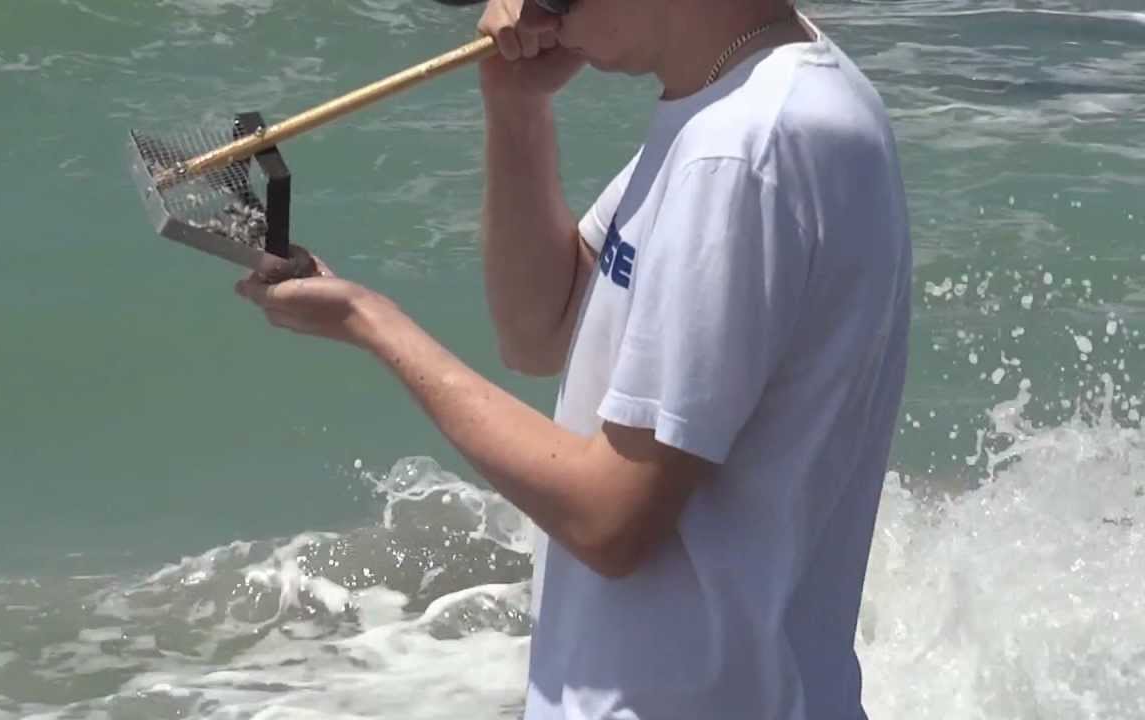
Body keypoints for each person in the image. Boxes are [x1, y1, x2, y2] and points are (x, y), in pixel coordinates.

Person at [234, 0, 912, 716]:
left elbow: (610, 519)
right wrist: (515, 105)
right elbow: (542, 326)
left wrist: (370, 321)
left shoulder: (742, 149)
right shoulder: (746, 91)